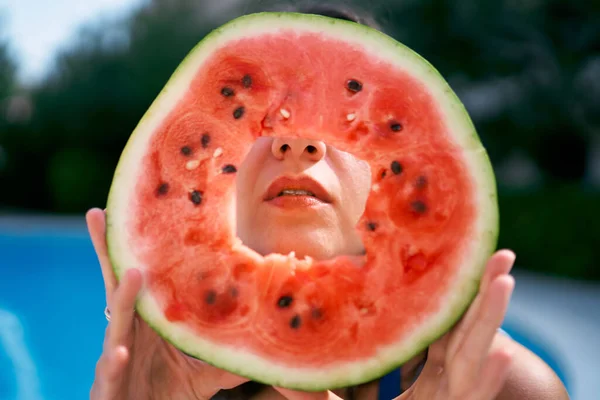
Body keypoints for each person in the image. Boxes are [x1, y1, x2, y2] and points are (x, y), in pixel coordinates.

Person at [86, 4, 570, 400]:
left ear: (394, 177)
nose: (298, 143)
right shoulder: (155, 384)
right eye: (263, 115)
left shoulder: (505, 389)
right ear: (212, 175)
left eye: (348, 115)